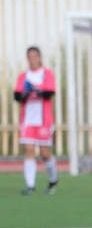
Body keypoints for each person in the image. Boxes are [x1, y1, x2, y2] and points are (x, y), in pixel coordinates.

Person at [14, 46, 59, 195]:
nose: (32, 59)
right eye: (30, 57)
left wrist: (37, 90)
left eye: (35, 56)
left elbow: (49, 93)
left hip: (43, 120)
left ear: (39, 57)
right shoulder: (23, 77)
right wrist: (25, 94)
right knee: (29, 150)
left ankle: (53, 180)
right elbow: (17, 97)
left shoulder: (47, 74)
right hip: (27, 120)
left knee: (45, 154)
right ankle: (30, 186)